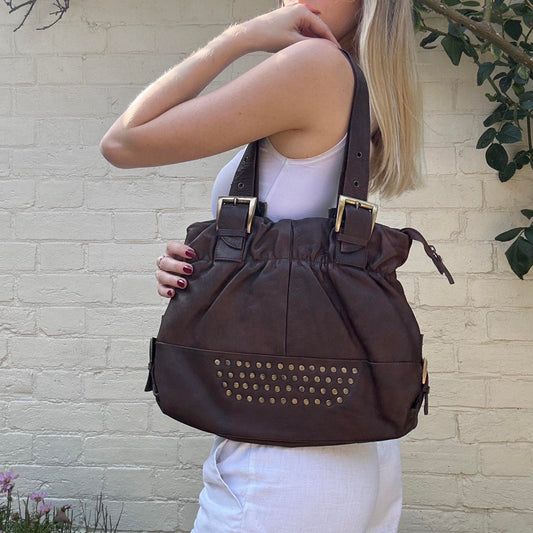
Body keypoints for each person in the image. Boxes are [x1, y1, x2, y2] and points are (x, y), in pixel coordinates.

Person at [100, 1, 423, 531]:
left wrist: (237, 37)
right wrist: (207, 267)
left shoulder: (315, 65)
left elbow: (122, 142)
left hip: (284, 461)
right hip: (357, 447)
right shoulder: (361, 78)